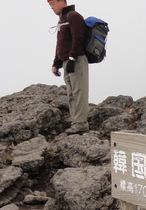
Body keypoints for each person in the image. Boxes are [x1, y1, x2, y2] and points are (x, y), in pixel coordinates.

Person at [48, 0, 90, 135]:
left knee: (79, 91)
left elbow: (78, 38)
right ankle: (76, 122)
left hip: (76, 60)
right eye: (50, 5)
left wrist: (72, 58)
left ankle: (81, 124)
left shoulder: (74, 16)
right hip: (67, 60)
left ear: (62, 1)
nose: (52, 7)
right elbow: (60, 43)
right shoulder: (62, 20)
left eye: (53, 3)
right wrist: (56, 63)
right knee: (71, 93)